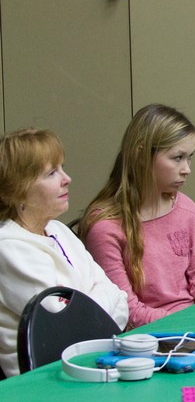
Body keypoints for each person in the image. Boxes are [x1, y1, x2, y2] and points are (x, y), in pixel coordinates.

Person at [80, 104, 195, 328]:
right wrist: (192, 322)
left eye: (189, 157)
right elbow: (126, 311)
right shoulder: (105, 227)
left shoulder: (186, 209)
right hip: (149, 339)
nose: (187, 169)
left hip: (194, 325)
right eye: (177, 158)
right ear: (141, 155)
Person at [0, 129, 128, 377]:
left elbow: (118, 296)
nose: (67, 178)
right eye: (51, 173)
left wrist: (90, 308)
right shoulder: (8, 247)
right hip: (45, 384)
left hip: (89, 364)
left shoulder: (57, 229)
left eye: (62, 168)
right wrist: (97, 302)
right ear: (18, 190)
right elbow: (68, 328)